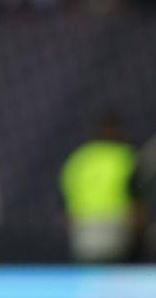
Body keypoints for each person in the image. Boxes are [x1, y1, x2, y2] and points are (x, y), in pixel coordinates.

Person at [59, 111, 147, 263]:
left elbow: (65, 211)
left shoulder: (78, 160)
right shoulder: (124, 159)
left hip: (82, 237)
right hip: (117, 234)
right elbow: (138, 210)